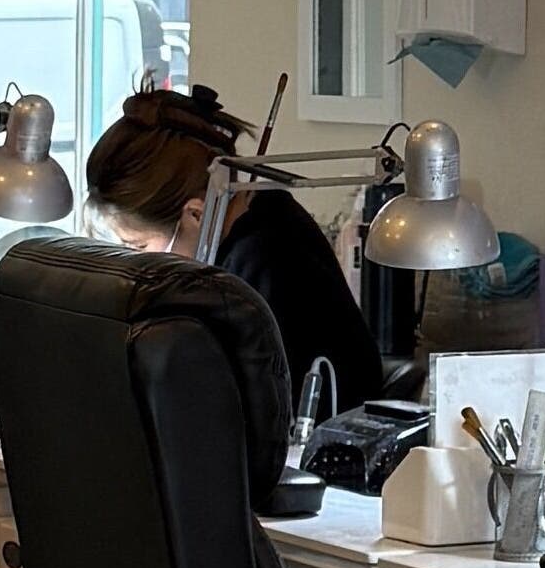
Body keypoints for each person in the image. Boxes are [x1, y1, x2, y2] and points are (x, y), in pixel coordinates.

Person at [85, 85, 385, 408]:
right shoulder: (259, 211)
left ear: (196, 214)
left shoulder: (262, 262)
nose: (133, 261)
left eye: (138, 245)